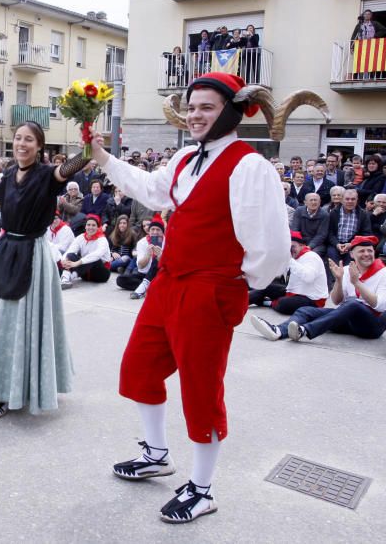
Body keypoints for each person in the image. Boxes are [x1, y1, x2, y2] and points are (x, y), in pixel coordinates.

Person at [93, 72, 298, 524]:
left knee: (201, 390)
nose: (195, 115)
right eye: (191, 107)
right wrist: (103, 157)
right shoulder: (186, 158)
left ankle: (202, 489)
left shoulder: (250, 165)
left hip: (209, 289)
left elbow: (271, 247)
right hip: (168, 282)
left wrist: (233, 281)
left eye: (206, 107)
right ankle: (157, 454)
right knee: (140, 367)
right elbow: (150, 188)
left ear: (232, 111)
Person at [0, 120, 87, 418]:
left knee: (28, 321)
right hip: (8, 251)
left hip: (33, 254)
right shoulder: (10, 174)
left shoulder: (47, 175)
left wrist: (89, 141)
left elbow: (74, 165)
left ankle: (29, 386)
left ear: (39, 146)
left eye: (29, 140)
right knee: (6, 323)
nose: (21, 144)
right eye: (18, 138)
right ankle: (2, 388)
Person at [279, 236, 386, 343]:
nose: (366, 254)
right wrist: (339, 281)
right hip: (349, 320)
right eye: (362, 251)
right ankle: (280, 331)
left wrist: (357, 283)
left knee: (353, 304)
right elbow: (336, 301)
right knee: (305, 310)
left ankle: (305, 330)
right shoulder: (346, 270)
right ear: (352, 254)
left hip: (373, 325)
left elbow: (380, 305)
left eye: (370, 251)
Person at [247, 232, 328, 333]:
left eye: (293, 246)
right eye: (288, 247)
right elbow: (280, 276)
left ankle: (266, 302)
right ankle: (243, 302)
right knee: (265, 287)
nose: (291, 250)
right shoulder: (295, 257)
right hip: (294, 292)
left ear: (302, 245)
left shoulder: (311, 257)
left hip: (312, 299)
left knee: (283, 303)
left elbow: (308, 278)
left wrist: (290, 260)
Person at [60, 214, 112, 289]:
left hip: (100, 274)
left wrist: (77, 263)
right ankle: (65, 278)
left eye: (93, 225)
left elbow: (97, 255)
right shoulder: (80, 237)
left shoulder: (102, 240)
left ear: (98, 227)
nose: (90, 227)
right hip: (84, 273)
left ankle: (71, 276)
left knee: (94, 258)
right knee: (70, 255)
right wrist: (64, 260)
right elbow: (70, 250)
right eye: (88, 225)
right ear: (85, 226)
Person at [325, 188, 371, 265]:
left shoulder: (363, 214)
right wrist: (337, 244)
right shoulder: (334, 213)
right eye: (347, 199)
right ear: (342, 200)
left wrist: (351, 244)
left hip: (354, 245)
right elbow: (330, 232)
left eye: (353, 199)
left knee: (350, 262)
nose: (350, 201)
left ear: (357, 200)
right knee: (333, 259)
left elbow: (366, 233)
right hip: (335, 244)